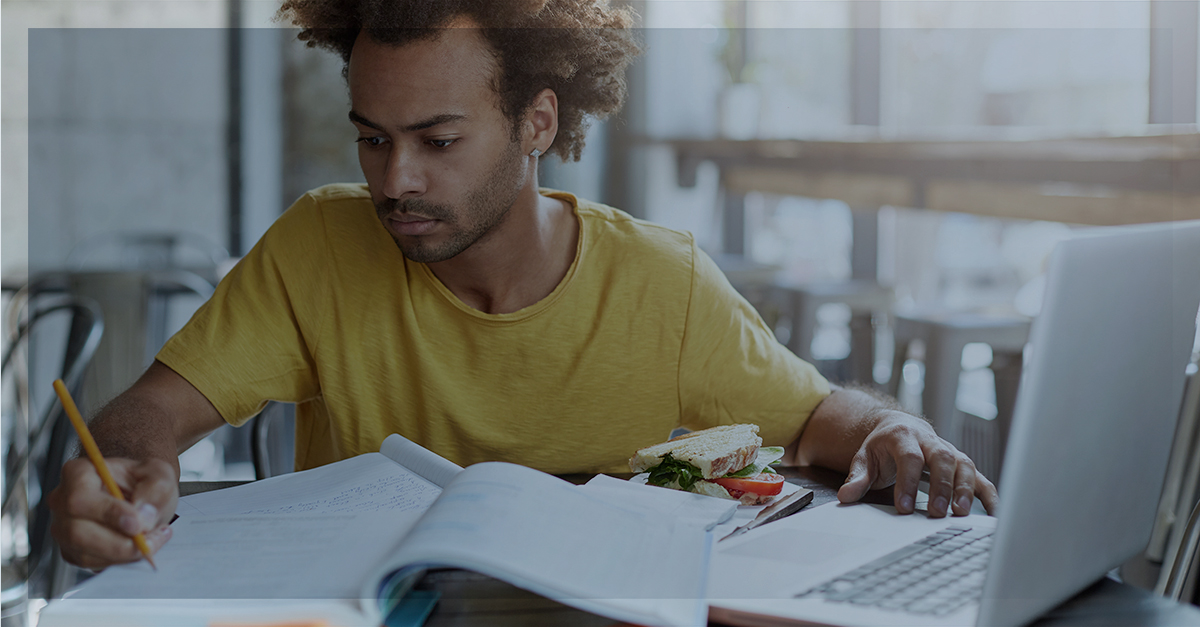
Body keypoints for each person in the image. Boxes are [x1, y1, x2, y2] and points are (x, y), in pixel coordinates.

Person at [49, 0, 998, 571]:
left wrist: (896, 430)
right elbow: (144, 420)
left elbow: (828, 419)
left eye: (438, 140)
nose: (395, 180)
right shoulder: (318, 249)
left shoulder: (661, 284)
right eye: (373, 136)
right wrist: (121, 466)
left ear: (538, 122)